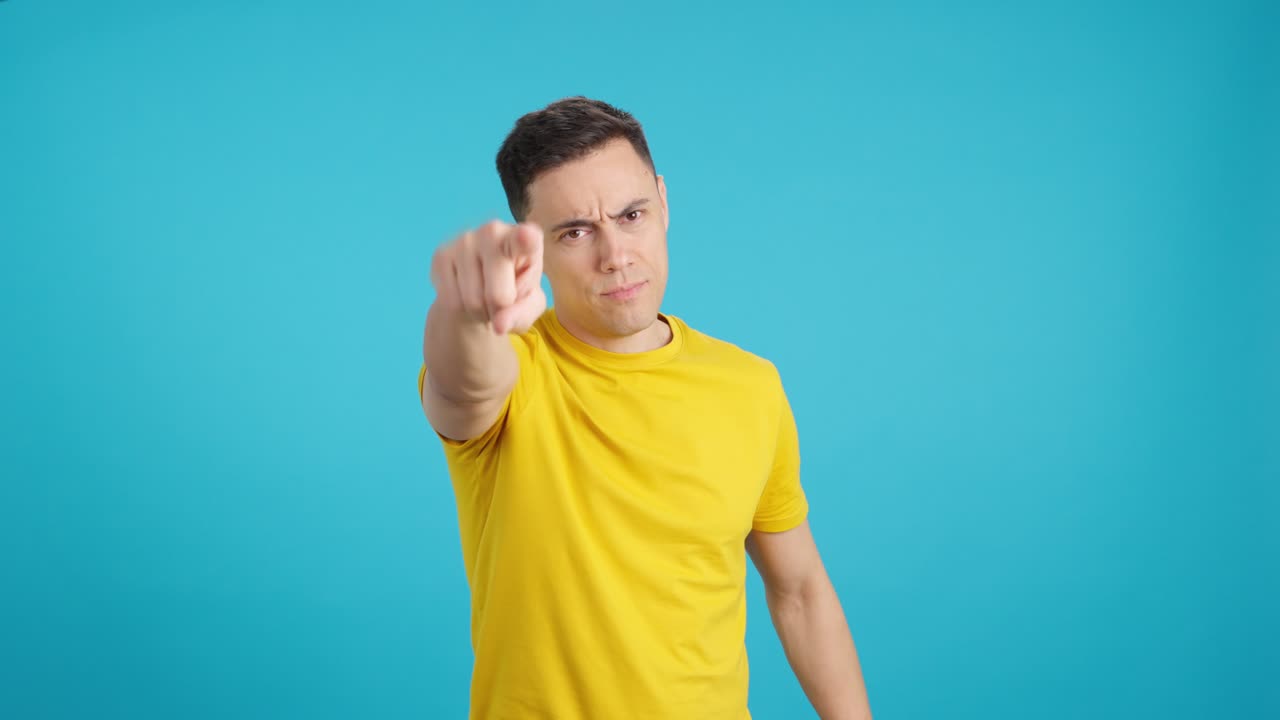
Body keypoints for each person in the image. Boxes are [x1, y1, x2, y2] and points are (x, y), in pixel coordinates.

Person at [418, 96, 871, 720]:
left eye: (631, 215)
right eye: (575, 232)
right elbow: (463, 384)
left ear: (663, 201)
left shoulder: (750, 385)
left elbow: (799, 590)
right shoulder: (517, 368)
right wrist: (465, 310)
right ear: (534, 247)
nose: (615, 255)